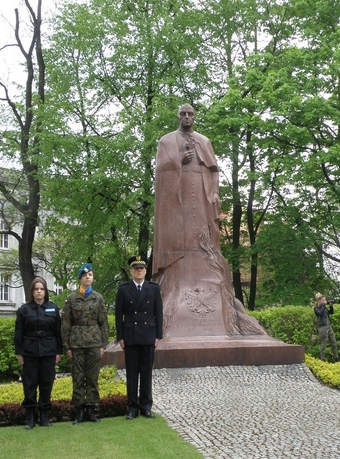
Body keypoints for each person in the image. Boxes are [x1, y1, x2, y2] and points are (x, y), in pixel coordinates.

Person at [152, 103, 264, 338]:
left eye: (190, 114)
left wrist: (214, 193)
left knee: (204, 238)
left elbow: (213, 171)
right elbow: (161, 173)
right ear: (177, 117)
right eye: (182, 114)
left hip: (201, 202)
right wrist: (179, 161)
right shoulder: (166, 141)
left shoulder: (204, 141)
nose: (186, 117)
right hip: (178, 202)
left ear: (194, 117)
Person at [116, 255, 164, 419]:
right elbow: (118, 315)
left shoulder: (153, 288)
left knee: (146, 373)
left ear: (145, 271)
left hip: (148, 335)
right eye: (136, 269)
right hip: (130, 336)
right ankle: (132, 407)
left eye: (142, 268)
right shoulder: (123, 289)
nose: (139, 271)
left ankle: (146, 406)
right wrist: (120, 337)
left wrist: (158, 336)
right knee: (131, 373)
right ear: (131, 271)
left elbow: (158, 312)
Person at [61, 263, 109, 424]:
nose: (88, 277)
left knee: (93, 377)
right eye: (85, 275)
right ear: (80, 278)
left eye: (90, 275)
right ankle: (79, 411)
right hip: (77, 344)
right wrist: (67, 347)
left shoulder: (99, 298)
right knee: (78, 378)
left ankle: (92, 410)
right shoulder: (71, 299)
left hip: (94, 343)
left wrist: (103, 345)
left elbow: (104, 323)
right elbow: (66, 324)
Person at [14, 277, 63, 429]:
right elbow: (18, 333)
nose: (39, 292)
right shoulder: (24, 310)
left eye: (42, 289)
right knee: (29, 384)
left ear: (45, 291)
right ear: (32, 292)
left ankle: (44, 415)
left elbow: (58, 332)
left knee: (46, 383)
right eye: (36, 289)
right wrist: (19, 353)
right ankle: (30, 417)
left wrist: (58, 352)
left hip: (48, 351)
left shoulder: (53, 309)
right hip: (30, 351)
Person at [314, 293, 339, 362]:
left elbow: (331, 312)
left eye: (325, 300)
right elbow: (320, 313)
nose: (325, 301)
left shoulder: (323, 307)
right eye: (323, 300)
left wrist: (331, 306)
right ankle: (322, 359)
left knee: (333, 342)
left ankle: (336, 358)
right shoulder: (316, 308)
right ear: (319, 300)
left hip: (328, 326)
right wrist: (324, 305)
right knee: (323, 343)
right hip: (322, 327)